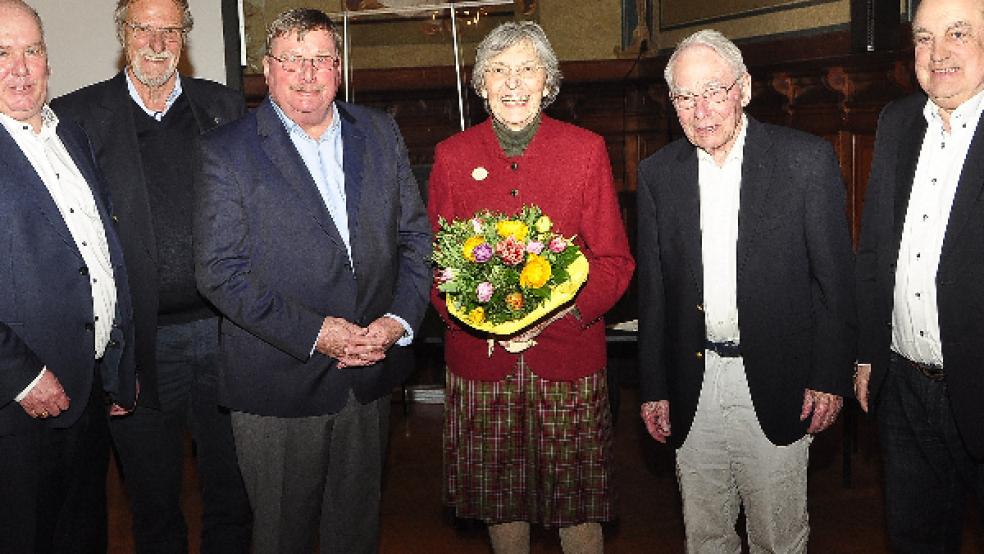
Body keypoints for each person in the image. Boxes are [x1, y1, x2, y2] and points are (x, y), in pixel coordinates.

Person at [194, 8, 432, 553]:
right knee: (283, 538)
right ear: (267, 69)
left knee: (355, 535)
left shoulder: (380, 132)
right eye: (292, 60)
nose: (307, 74)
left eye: (321, 59)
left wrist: (396, 321)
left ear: (339, 67)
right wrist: (316, 333)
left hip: (367, 374)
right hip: (278, 384)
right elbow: (220, 272)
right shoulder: (225, 151)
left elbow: (415, 240)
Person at [636, 29, 856, 552]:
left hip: (780, 379)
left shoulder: (805, 161)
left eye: (714, 91)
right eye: (685, 97)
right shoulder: (657, 174)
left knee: (778, 539)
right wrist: (654, 386)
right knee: (706, 536)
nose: (701, 110)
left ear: (745, 89)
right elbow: (654, 293)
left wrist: (829, 376)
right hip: (693, 382)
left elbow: (836, 282)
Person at [51, 0, 251, 551]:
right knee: (152, 500)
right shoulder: (75, 117)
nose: (158, 43)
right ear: (123, 34)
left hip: (224, 335)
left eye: (171, 30)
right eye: (144, 29)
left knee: (232, 493)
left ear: (186, 36)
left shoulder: (225, 107)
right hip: (136, 346)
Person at [428, 22, 634, 554]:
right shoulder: (452, 156)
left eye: (526, 69)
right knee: (501, 506)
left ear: (548, 81)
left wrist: (562, 313)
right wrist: (482, 322)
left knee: (578, 511)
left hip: (567, 356)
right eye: (499, 70)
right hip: (482, 361)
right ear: (481, 83)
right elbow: (434, 267)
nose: (513, 83)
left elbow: (614, 262)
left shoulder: (585, 150)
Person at [0, 1, 137, 552]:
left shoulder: (72, 137)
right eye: (1, 53)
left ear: (48, 61)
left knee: (83, 535)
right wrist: (20, 377)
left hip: (88, 392)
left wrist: (120, 361)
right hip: (18, 409)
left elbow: (101, 256)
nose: (20, 67)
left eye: (31, 50)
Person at [855, 0, 984, 548]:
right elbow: (875, 249)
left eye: (958, 33)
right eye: (924, 38)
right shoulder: (897, 121)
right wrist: (868, 353)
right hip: (904, 388)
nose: (938, 53)